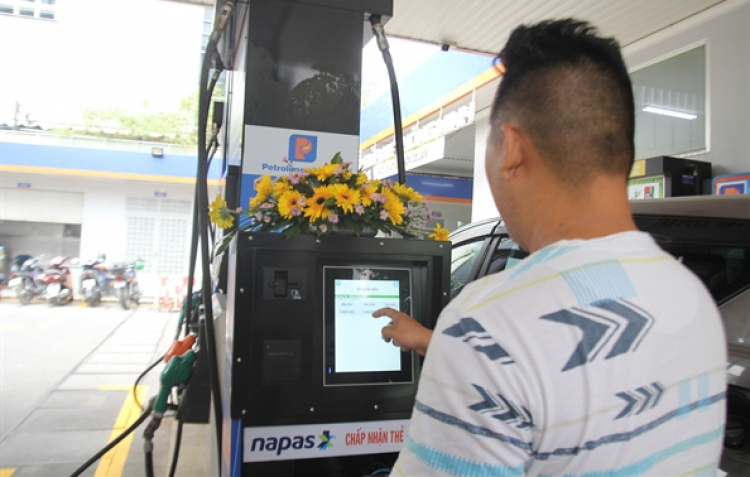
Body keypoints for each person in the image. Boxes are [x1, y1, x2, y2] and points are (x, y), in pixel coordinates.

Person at [373, 19, 726, 477]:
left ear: (512, 149)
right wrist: (436, 344)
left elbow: (526, 358)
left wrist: (458, 348)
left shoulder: (488, 323)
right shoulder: (692, 295)